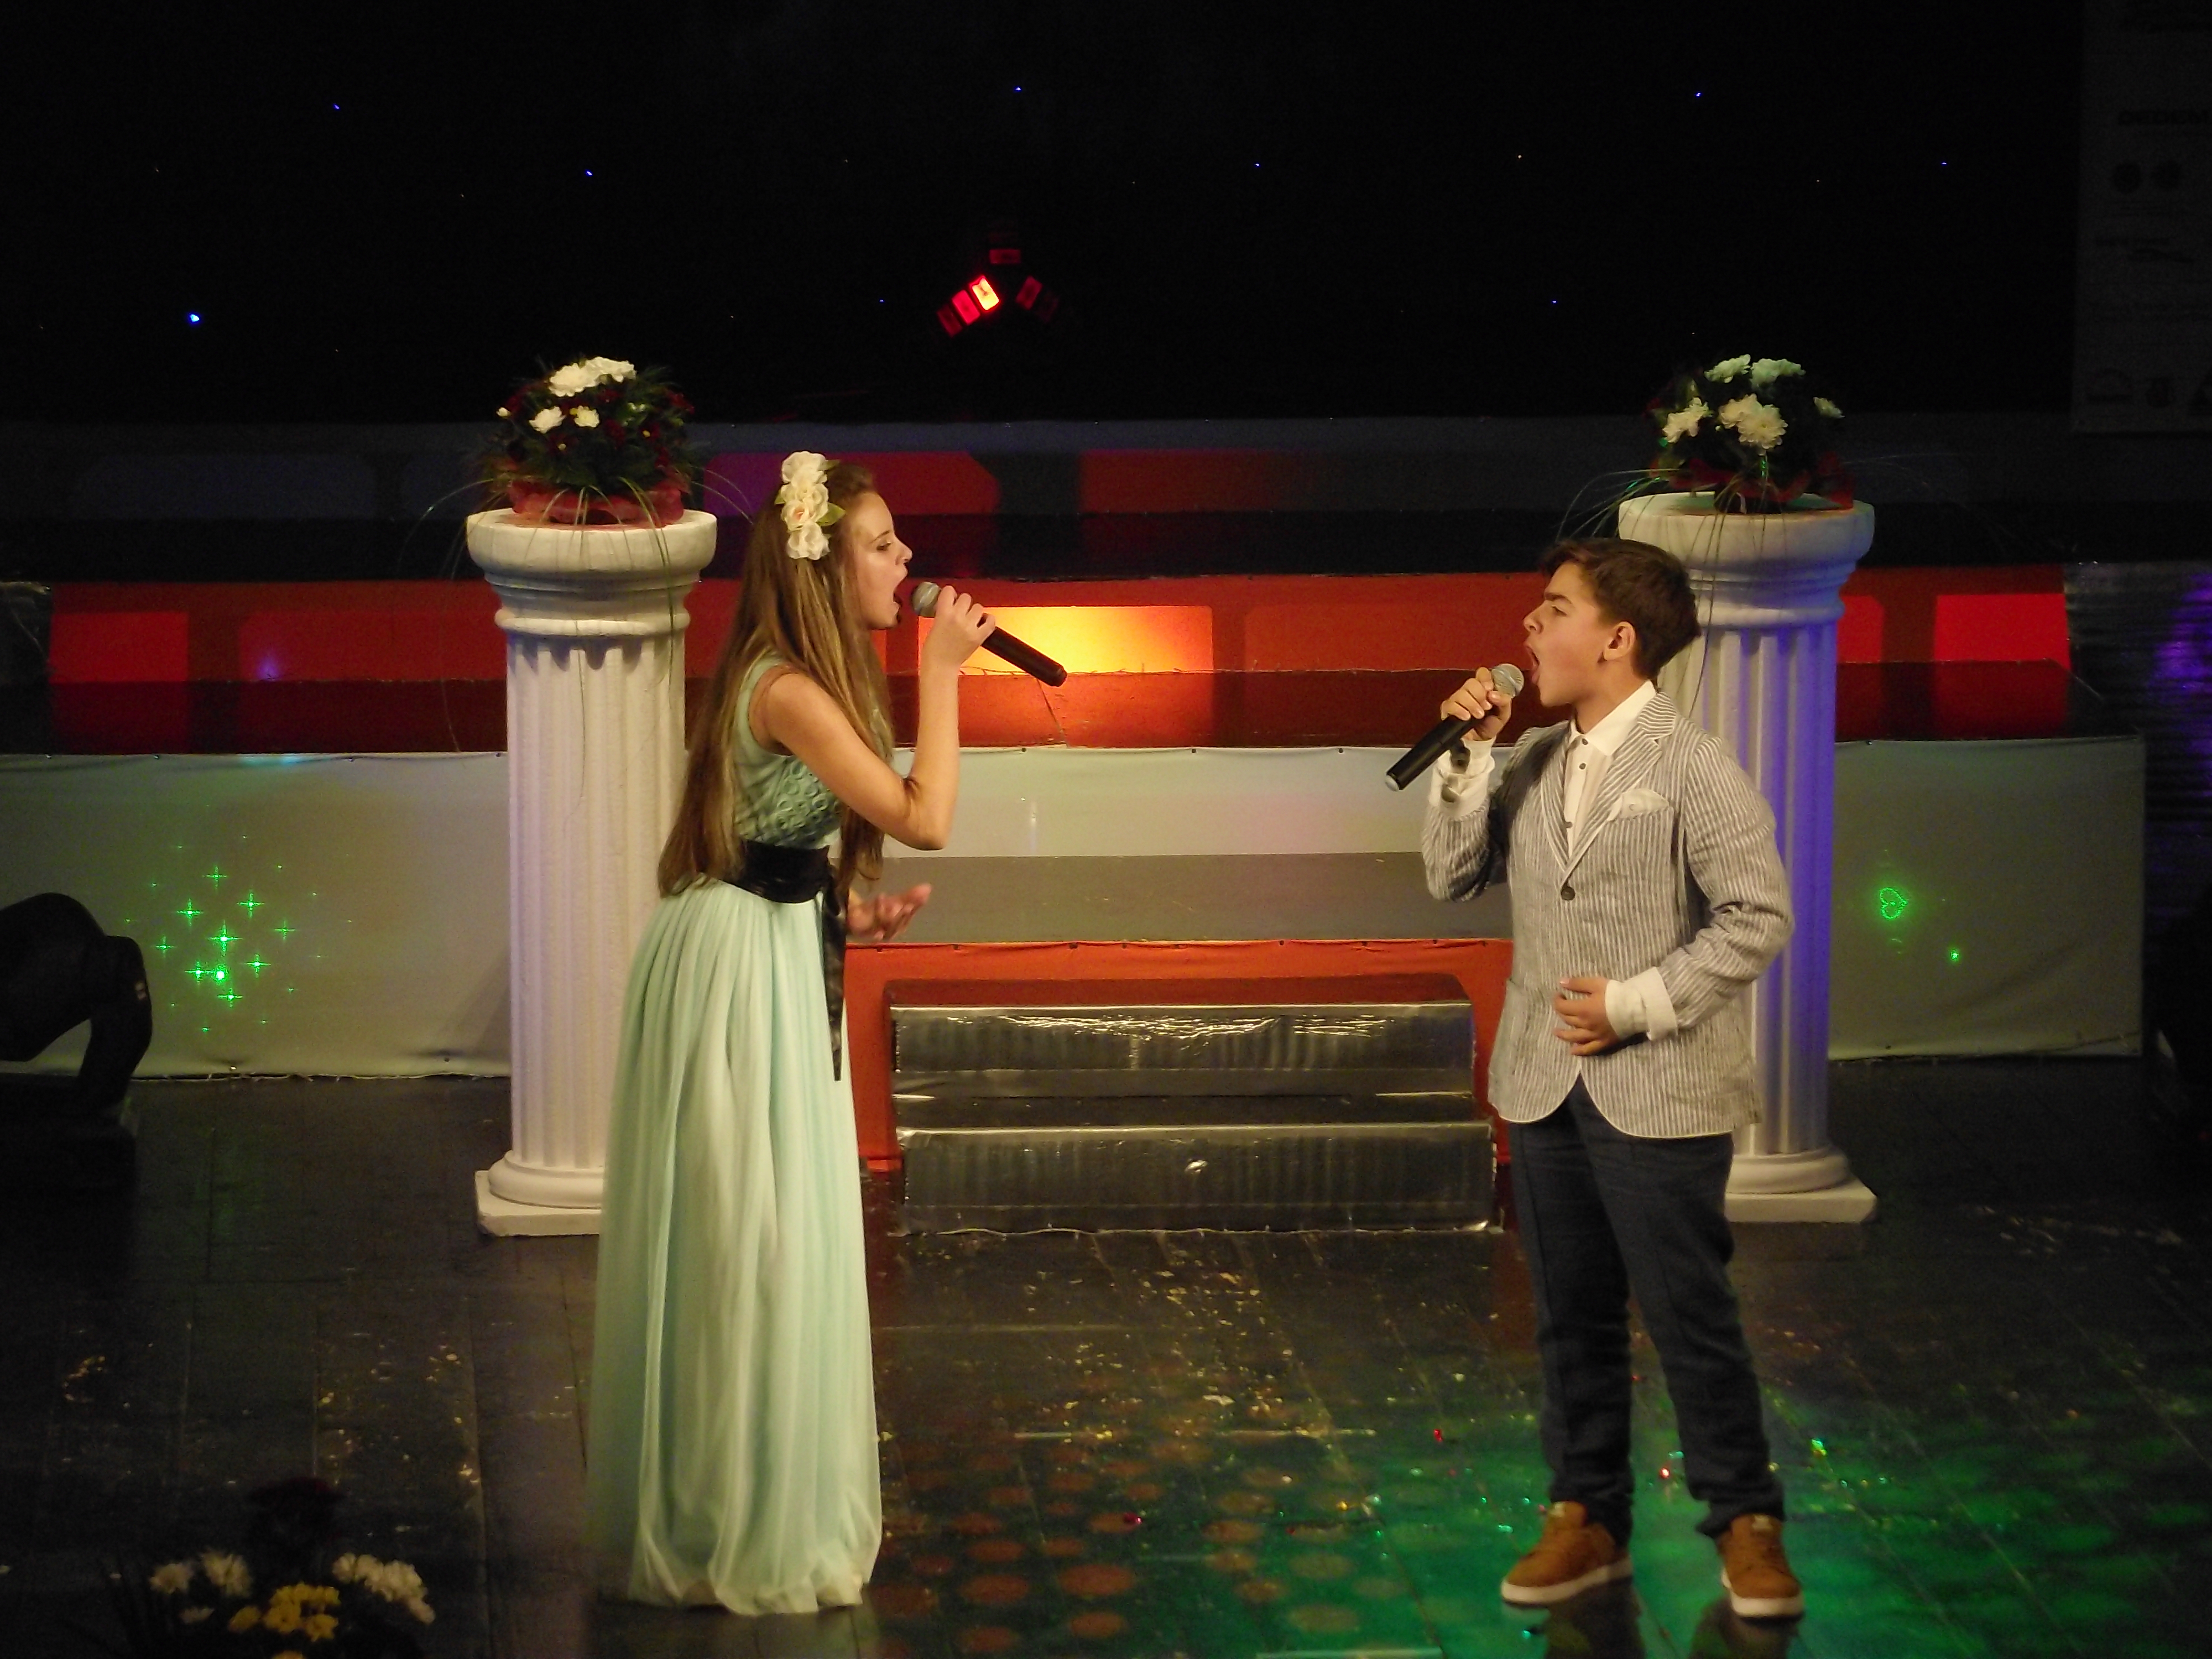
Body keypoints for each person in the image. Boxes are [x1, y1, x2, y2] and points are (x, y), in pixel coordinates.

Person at [585, 452, 992, 1611]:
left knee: (774, 1235)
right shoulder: (790, 689)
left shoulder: (808, 681)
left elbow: (779, 841)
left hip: (771, 943)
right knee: (743, 1240)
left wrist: (848, 911)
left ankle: (752, 1493)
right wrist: (945, 673)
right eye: (883, 544)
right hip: (729, 969)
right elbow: (925, 818)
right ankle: (722, 1507)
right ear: (823, 566)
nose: (906, 562)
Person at [1421, 538, 1804, 1620]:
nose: (1528, 629)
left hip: (1660, 1087)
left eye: (1553, 610)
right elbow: (1450, 877)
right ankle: (1585, 1515)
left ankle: (1744, 1520)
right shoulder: (1534, 758)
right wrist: (1465, 759)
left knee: (1688, 1315)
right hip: (1543, 1081)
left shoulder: (1693, 766)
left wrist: (1637, 1003)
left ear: (1615, 638)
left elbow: (1758, 916)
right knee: (1569, 1315)